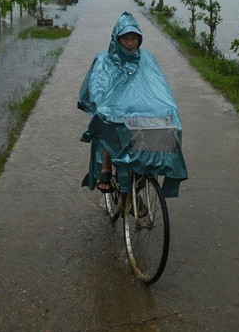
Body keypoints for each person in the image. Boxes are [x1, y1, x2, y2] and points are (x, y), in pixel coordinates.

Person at [78, 11, 188, 198]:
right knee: (109, 125)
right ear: (117, 40)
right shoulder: (104, 60)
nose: (130, 43)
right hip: (116, 112)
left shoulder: (147, 58)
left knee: (166, 128)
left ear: (139, 39)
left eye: (134, 38)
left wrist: (168, 108)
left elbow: (160, 87)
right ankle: (105, 169)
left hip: (142, 113)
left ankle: (138, 184)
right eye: (125, 39)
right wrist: (104, 107)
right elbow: (97, 87)